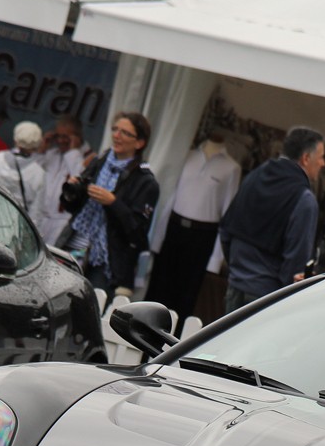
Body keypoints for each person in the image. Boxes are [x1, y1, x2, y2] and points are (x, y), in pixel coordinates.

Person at [219, 125, 325, 313]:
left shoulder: (254, 177)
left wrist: (238, 270)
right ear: (306, 158)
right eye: (321, 157)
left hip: (235, 285)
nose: (323, 163)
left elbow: (226, 230)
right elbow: (296, 264)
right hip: (267, 298)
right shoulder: (304, 199)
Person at [144, 132, 242, 324]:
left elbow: (227, 214)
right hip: (174, 229)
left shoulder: (232, 168)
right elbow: (170, 196)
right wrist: (156, 240)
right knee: (158, 288)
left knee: (184, 297)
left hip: (202, 237)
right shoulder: (187, 155)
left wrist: (215, 260)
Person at [60, 111, 158, 297]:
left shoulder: (146, 182)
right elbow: (74, 209)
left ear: (139, 143)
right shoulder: (99, 161)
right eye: (115, 130)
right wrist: (71, 193)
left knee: (87, 311)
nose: (117, 136)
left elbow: (138, 234)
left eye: (125, 133)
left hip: (108, 262)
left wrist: (113, 203)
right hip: (75, 244)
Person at [35, 113, 88, 245]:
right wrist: (42, 148)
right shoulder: (53, 153)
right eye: (58, 136)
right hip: (43, 218)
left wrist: (73, 151)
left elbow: (79, 175)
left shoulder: (86, 157)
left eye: (65, 137)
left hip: (63, 220)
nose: (60, 140)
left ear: (77, 137)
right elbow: (34, 171)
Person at [0, 122, 47, 214]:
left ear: (15, 139)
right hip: (13, 223)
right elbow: (36, 211)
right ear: (37, 145)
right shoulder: (39, 173)